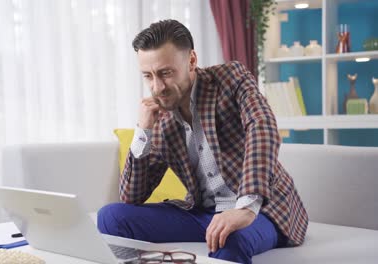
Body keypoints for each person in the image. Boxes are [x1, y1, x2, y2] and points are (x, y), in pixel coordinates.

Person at [97, 19, 308, 264]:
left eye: (166, 73)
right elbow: (132, 197)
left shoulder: (230, 78)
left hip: (261, 212)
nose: (157, 87)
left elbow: (262, 126)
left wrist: (245, 207)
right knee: (110, 217)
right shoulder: (161, 119)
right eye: (148, 76)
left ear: (192, 61)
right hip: (201, 213)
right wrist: (143, 131)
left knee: (228, 238)